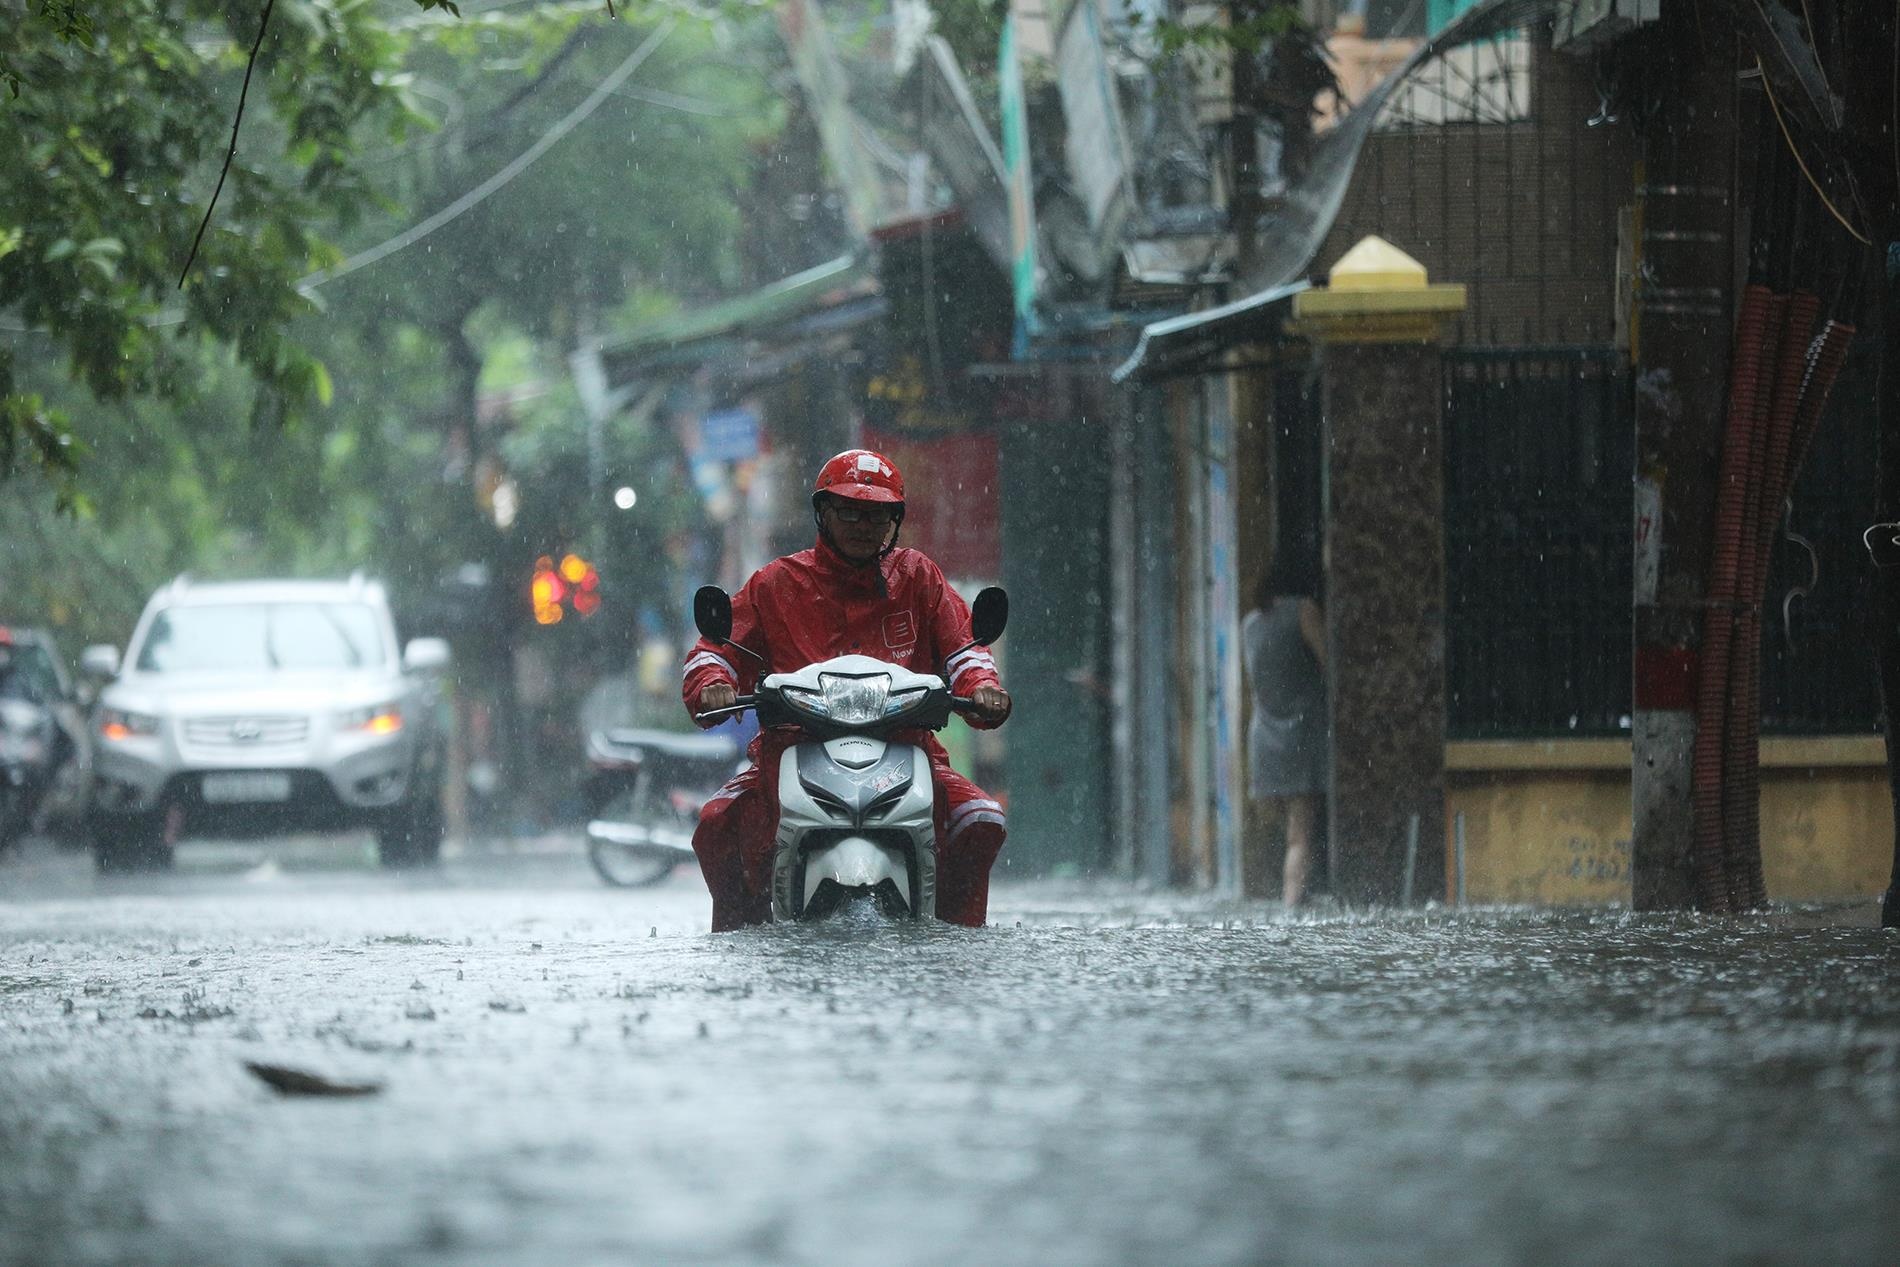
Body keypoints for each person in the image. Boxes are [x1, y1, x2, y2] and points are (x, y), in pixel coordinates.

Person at [681, 449, 1012, 930]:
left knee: (981, 820)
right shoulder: (776, 583)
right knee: (717, 826)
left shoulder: (918, 577)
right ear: (823, 513)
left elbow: (965, 650)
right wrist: (712, 683)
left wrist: (982, 686)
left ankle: (958, 935)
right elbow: (714, 650)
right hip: (791, 749)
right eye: (849, 511)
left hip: (907, 748)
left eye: (877, 514)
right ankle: (741, 934)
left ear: (894, 521)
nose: (863, 524)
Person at [1241, 556, 1327, 908]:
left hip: (1263, 736)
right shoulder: (1304, 610)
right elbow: (1328, 661)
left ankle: (1287, 894)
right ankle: (1292, 904)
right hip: (1299, 733)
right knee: (1300, 832)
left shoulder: (1249, 623)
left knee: (1282, 830)